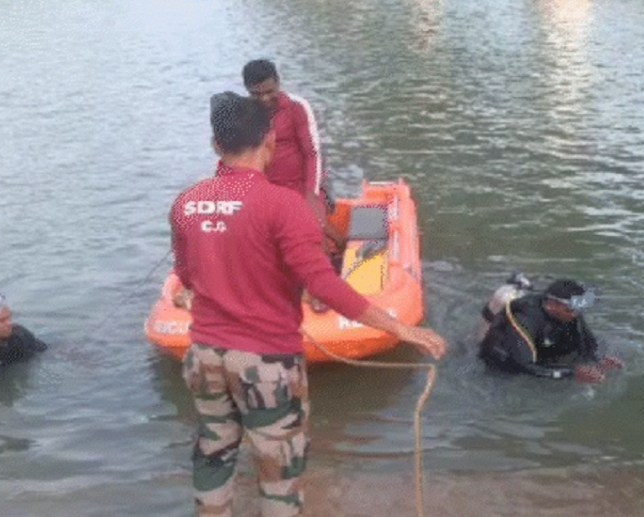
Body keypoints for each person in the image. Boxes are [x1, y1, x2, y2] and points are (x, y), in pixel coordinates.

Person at [170, 92, 447, 517]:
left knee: (213, 455)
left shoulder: (187, 204)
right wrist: (401, 329)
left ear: (215, 145)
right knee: (279, 473)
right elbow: (323, 283)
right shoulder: (283, 206)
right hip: (264, 361)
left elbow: (188, 279)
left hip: (204, 355)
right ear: (269, 141)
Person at [242, 59, 346, 253]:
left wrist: (311, 194)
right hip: (267, 190)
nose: (264, 99)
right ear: (247, 90)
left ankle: (341, 246)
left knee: (315, 234)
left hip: (301, 184)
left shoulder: (297, 107)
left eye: (269, 92)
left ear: (278, 84)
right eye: (257, 94)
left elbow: (312, 153)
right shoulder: (244, 114)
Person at [477, 278, 622, 383]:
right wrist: (571, 374)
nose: (576, 314)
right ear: (552, 305)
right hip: (507, 361)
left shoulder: (570, 313)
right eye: (571, 309)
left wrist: (598, 359)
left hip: (540, 345)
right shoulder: (524, 319)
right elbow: (522, 366)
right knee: (474, 348)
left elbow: (588, 343)